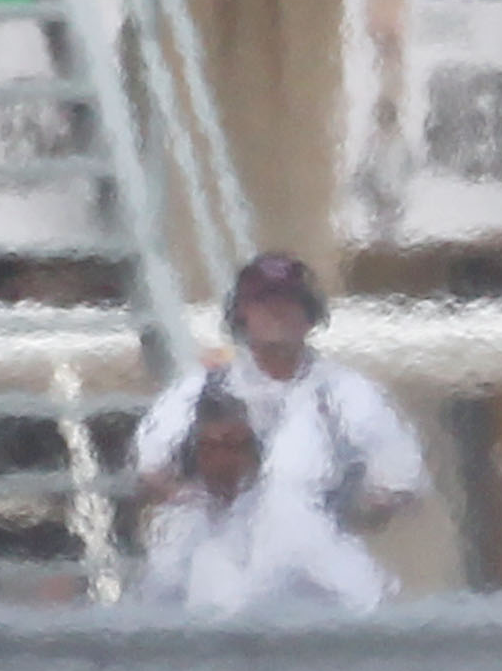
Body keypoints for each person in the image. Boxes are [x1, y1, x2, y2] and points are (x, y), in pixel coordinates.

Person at [129, 253, 428, 597]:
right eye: (261, 302)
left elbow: (400, 480)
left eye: (290, 302)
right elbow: (148, 468)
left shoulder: (347, 393)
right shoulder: (200, 390)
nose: (276, 312)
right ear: (241, 313)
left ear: (310, 315)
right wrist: (204, 503)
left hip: (316, 587)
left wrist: (335, 517)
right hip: (214, 575)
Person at [135, 386, 394, 616]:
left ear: (254, 453)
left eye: (233, 446)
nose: (222, 459)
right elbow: (154, 609)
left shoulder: (293, 516)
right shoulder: (180, 523)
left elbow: (368, 596)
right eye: (209, 448)